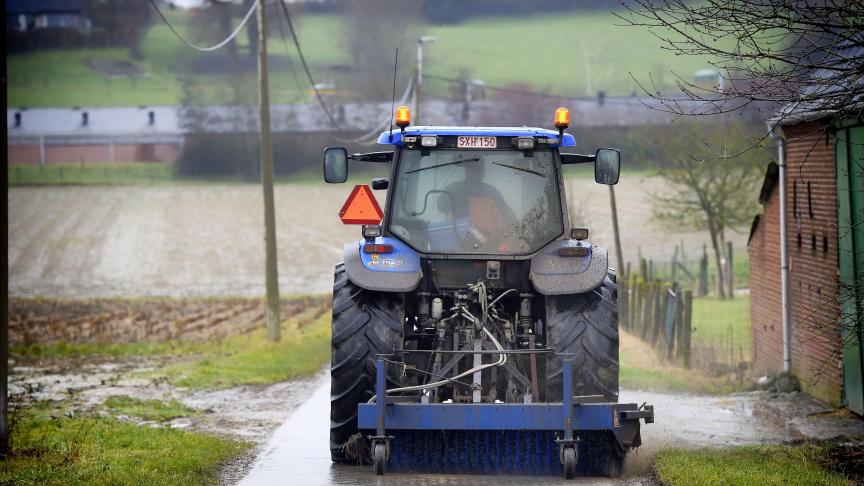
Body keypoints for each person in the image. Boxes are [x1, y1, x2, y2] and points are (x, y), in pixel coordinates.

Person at [439, 160, 517, 250]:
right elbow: (509, 217)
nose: (476, 173)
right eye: (474, 170)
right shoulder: (491, 192)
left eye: (478, 170)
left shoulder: (454, 188)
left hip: (478, 245)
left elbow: (441, 206)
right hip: (478, 247)